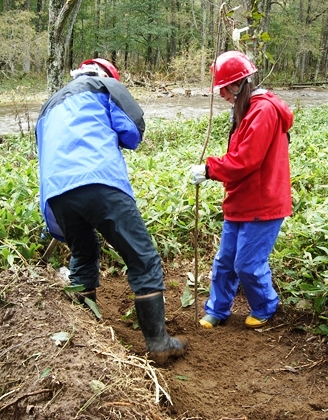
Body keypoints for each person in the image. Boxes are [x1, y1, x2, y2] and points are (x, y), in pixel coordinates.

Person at [35, 58, 187, 364]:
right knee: (142, 258)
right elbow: (133, 130)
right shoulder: (104, 85)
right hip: (100, 182)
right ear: (107, 74)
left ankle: (82, 334)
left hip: (57, 193)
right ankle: (158, 342)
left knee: (84, 254)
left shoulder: (49, 105)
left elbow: (44, 149)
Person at [190, 51, 294, 329]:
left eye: (223, 88)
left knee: (247, 264)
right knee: (225, 261)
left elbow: (246, 160)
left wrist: (209, 170)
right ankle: (218, 309)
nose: (221, 94)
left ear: (236, 85)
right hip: (240, 199)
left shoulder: (263, 110)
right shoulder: (247, 108)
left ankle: (265, 304)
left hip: (264, 203)